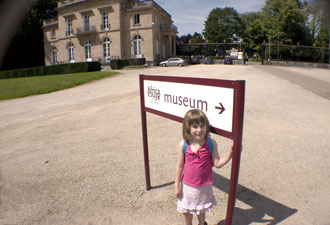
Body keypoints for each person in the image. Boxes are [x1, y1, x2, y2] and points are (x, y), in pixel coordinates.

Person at [174, 109, 233, 225]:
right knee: (186, 211)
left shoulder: (211, 143)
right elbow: (179, 166)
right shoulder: (184, 144)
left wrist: (230, 153)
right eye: (195, 126)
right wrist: (176, 186)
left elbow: (217, 163)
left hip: (203, 187)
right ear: (188, 128)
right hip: (187, 187)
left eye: (202, 126)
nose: (199, 130)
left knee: (201, 211)